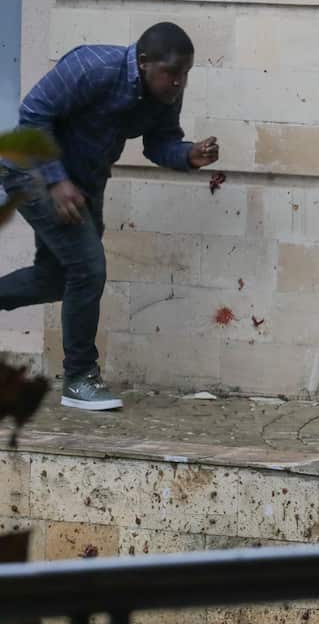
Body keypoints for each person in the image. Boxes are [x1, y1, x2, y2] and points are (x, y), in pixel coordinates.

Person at [0, 22, 220, 411]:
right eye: (171, 73)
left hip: (83, 184)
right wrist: (55, 180)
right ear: (143, 62)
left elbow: (160, 144)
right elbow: (33, 115)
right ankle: (80, 378)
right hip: (33, 171)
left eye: (185, 74)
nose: (177, 83)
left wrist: (187, 155)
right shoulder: (93, 67)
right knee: (88, 268)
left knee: (57, 280)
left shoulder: (166, 95)